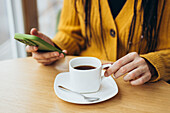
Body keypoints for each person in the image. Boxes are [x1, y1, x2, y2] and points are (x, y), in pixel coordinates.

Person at [26, 0, 170, 85]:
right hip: (84, 86)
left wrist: (153, 63)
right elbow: (71, 33)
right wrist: (53, 48)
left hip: (141, 90)